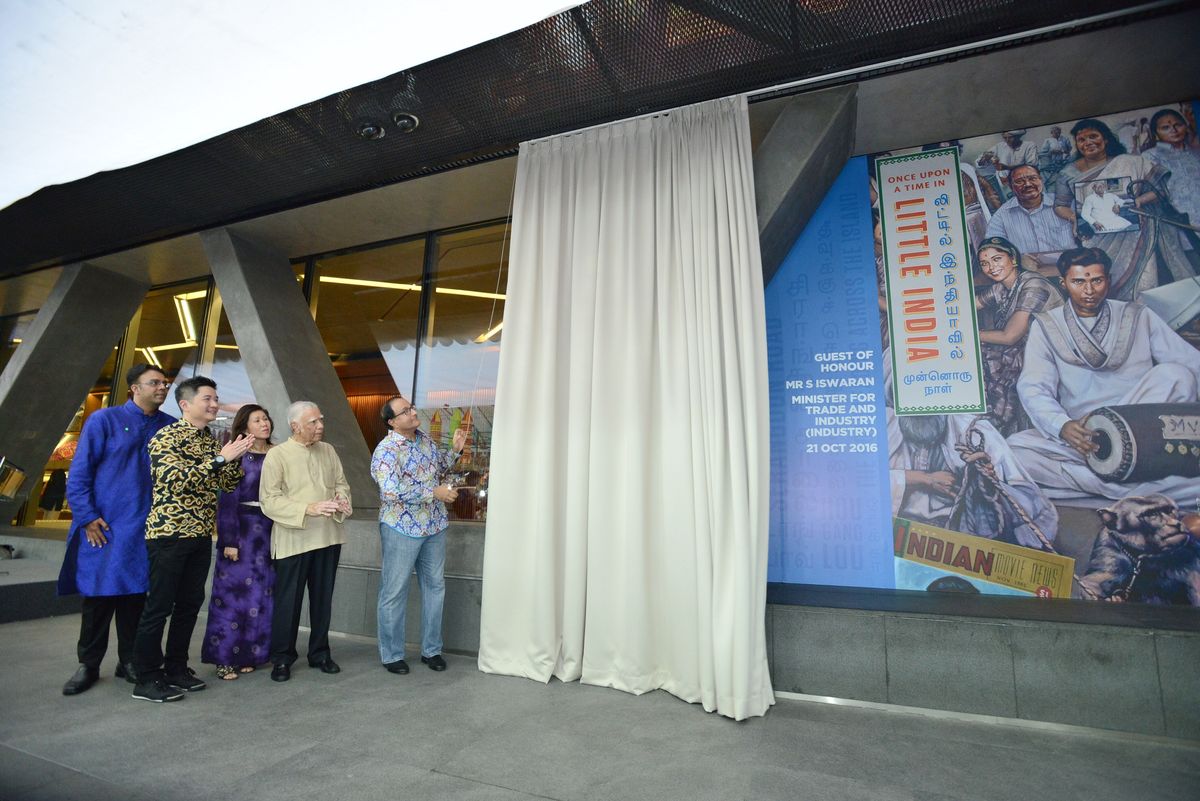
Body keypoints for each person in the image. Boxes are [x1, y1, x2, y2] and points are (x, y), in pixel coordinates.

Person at [1009, 247, 1200, 503]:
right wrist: (1062, 426)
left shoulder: (1137, 315)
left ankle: (1108, 484)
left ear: (1107, 280)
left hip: (1142, 432)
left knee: (1176, 374)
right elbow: (1033, 386)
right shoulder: (1046, 326)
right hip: (1085, 439)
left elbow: (1189, 361)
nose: (1089, 290)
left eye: (1096, 280)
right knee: (1015, 448)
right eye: (1078, 281)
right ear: (1063, 283)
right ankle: (1125, 490)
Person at [130, 377, 254, 702]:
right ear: (185, 404)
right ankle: (145, 677)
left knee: (188, 605)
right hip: (168, 534)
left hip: (200, 534)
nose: (214, 404)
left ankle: (176, 668)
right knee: (158, 607)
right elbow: (174, 481)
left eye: (216, 399)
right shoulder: (165, 437)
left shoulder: (210, 441)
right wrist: (220, 460)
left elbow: (227, 484)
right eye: (208, 399)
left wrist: (236, 458)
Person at [57, 364, 175, 696]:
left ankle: (131, 662)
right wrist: (87, 516)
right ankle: (88, 665)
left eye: (164, 383)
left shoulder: (168, 427)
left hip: (146, 529)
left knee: (136, 597)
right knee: (98, 597)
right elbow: (79, 474)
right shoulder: (103, 420)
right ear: (134, 389)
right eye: (154, 382)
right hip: (104, 528)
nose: (162, 388)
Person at [372, 395, 466, 674]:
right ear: (392, 421)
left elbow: (438, 469)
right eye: (406, 411)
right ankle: (391, 655)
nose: (413, 413)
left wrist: (456, 451)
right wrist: (432, 493)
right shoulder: (386, 450)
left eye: (412, 407)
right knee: (394, 591)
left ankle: (431, 650)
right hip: (401, 527)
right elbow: (389, 491)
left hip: (434, 525)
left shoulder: (424, 438)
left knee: (435, 587)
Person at [260, 401, 351, 682]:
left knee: (323, 600)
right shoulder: (277, 456)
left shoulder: (329, 450)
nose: (320, 426)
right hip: (293, 540)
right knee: (289, 602)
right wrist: (307, 509)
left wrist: (342, 500)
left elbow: (341, 484)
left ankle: (320, 653)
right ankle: (282, 658)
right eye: (313, 422)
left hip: (328, 537)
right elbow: (269, 500)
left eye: (320, 420)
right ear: (295, 426)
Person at [1054, 117, 1195, 299]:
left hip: (1138, 232)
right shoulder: (1068, 173)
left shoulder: (1131, 162)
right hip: (1097, 235)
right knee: (1105, 276)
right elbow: (1060, 206)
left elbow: (1159, 192)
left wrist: (1139, 201)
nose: (1088, 142)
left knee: (1144, 281)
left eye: (1093, 136)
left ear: (1105, 139)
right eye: (1082, 140)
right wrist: (1075, 218)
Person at [201, 404, 276, 680]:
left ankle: (251, 655)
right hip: (242, 530)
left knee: (262, 594)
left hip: (269, 531)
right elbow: (227, 500)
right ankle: (224, 659)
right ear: (245, 427)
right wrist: (228, 539)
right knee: (231, 597)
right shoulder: (235, 454)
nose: (265, 423)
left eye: (266, 418)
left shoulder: (278, 453)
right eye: (257, 420)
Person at [974, 236, 1063, 436]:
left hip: (1054, 352)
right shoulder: (1002, 287)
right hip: (1026, 350)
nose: (991, 267)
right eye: (985, 263)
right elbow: (968, 306)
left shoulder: (1033, 284)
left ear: (1013, 258)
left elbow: (1009, 336)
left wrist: (971, 335)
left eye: (997, 259)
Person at [984, 165, 1077, 268]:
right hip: (1030, 274)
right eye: (1019, 181)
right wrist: (1017, 259)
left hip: (1072, 268)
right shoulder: (1001, 215)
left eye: (1033, 178)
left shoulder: (1066, 203)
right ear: (1011, 186)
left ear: (1040, 180)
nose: (1028, 184)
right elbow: (991, 248)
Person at [1141, 108, 1200, 266]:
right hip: (1181, 224)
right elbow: (1152, 192)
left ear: (1185, 126)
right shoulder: (1151, 156)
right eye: (1165, 127)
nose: (1173, 130)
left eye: (1178, 125)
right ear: (1156, 133)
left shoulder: (1195, 152)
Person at [979, 129, 1038, 199]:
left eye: (1010, 137)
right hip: (1005, 183)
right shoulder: (1000, 146)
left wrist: (1007, 167)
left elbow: (1031, 165)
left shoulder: (1029, 145)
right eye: (1005, 138)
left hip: (1025, 181)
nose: (1007, 140)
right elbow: (980, 163)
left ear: (1017, 137)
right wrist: (985, 158)